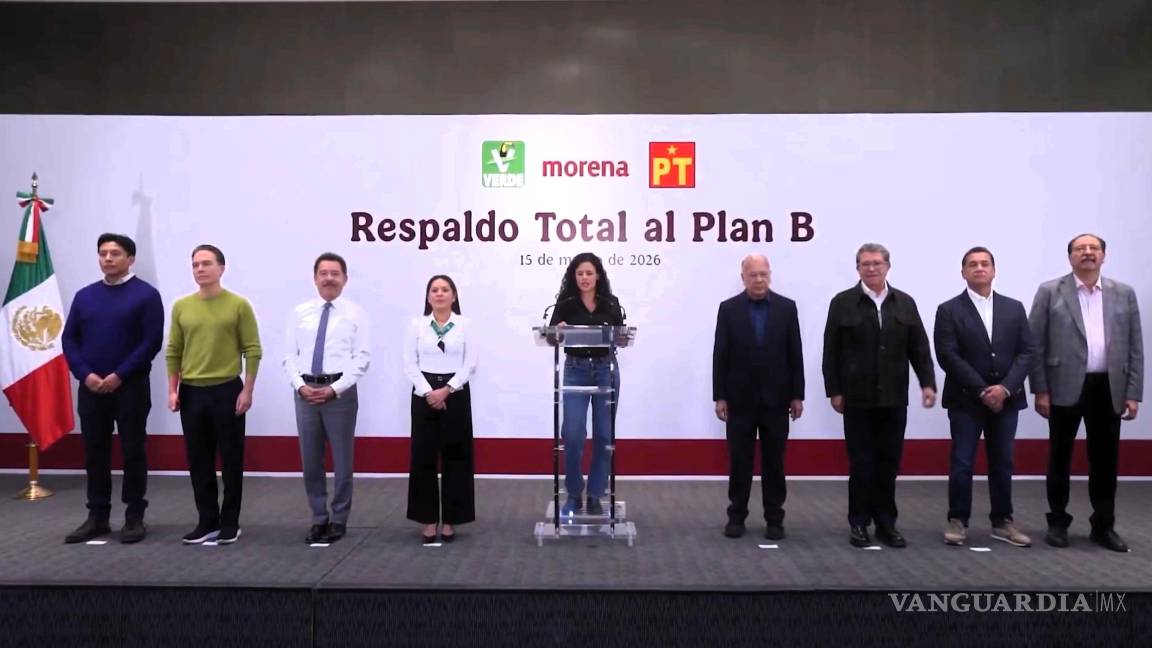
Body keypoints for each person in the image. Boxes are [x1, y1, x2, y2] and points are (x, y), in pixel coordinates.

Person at [1028, 233, 1143, 552]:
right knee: (1060, 456)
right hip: (1062, 384)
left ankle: (1103, 526)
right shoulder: (1050, 291)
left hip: (1109, 386)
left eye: (1094, 248)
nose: (1088, 253)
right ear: (1070, 257)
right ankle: (1057, 523)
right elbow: (1035, 344)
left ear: (1104, 256)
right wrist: (1040, 389)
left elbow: (1135, 346)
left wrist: (1133, 392)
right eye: (1081, 249)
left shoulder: (1124, 293)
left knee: (1105, 460)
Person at [822, 243, 936, 548]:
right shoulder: (843, 302)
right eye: (865, 264)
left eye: (876, 263)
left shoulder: (905, 303)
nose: (871, 268)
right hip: (857, 398)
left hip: (894, 398)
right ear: (857, 268)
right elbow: (831, 351)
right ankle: (859, 523)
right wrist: (834, 391)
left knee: (888, 463)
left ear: (887, 266)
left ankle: (886, 524)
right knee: (861, 464)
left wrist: (927, 383)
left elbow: (919, 347)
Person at [61, 233, 164, 544]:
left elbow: (151, 342)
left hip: (130, 386)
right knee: (95, 451)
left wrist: (120, 374)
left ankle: (134, 516)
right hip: (91, 386)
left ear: (130, 259)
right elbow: (70, 339)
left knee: (133, 450)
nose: (108, 258)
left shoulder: (146, 295)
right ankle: (97, 516)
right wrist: (85, 374)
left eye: (115, 253)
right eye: (103, 253)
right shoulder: (85, 296)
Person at [934, 247, 1036, 548]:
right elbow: (948, 355)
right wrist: (982, 389)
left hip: (1007, 399)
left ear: (994, 270)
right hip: (966, 400)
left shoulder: (1014, 308)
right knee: (962, 462)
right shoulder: (948, 310)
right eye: (972, 264)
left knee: (1003, 463)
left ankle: (1002, 521)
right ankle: (957, 520)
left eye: (985, 264)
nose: (979, 268)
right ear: (963, 272)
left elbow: (1027, 351)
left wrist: (1005, 388)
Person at [166, 244, 262, 545]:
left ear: (221, 268)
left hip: (227, 389)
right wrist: (172, 390)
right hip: (192, 393)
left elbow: (252, 349)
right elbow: (174, 350)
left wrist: (247, 390)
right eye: (195, 264)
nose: (200, 269)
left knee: (231, 459)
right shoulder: (182, 306)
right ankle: (207, 520)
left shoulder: (238, 305)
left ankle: (230, 522)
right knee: (199, 460)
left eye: (206, 263)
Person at [713, 254, 804, 540]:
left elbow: (795, 353)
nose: (759, 279)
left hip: (777, 399)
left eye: (763, 274)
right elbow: (720, 354)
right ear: (743, 277)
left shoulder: (787, 308)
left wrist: (797, 395)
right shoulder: (728, 309)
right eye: (753, 274)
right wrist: (720, 396)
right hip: (739, 399)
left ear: (770, 275)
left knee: (774, 463)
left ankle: (774, 519)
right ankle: (736, 517)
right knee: (740, 461)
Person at [282, 252, 370, 544]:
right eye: (324, 273)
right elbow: (289, 356)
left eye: (335, 273)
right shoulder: (299, 313)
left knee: (343, 462)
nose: (329, 278)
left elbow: (362, 358)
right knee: (311, 461)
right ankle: (318, 518)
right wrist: (300, 386)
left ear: (345, 279)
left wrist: (335, 389)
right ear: (315, 278)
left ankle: (339, 519)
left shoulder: (356, 314)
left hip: (340, 394)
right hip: (305, 393)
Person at [548, 253, 625, 516]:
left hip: (606, 369)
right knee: (572, 434)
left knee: (604, 435)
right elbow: (551, 337)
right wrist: (558, 331)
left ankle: (595, 495)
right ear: (574, 276)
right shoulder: (565, 303)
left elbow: (621, 335)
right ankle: (573, 494)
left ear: (598, 276)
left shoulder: (611, 303)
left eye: (589, 273)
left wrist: (622, 338)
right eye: (580, 273)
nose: (584, 277)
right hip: (575, 370)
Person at [403, 275, 478, 543]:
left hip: (455, 394)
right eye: (434, 290)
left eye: (445, 290)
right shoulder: (417, 325)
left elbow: (470, 363)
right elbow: (409, 363)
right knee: (423, 457)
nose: (439, 294)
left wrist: (447, 389)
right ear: (428, 297)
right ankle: (427, 519)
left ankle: (450, 520)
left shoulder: (465, 324)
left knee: (456, 457)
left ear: (453, 296)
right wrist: (429, 392)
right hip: (423, 394)